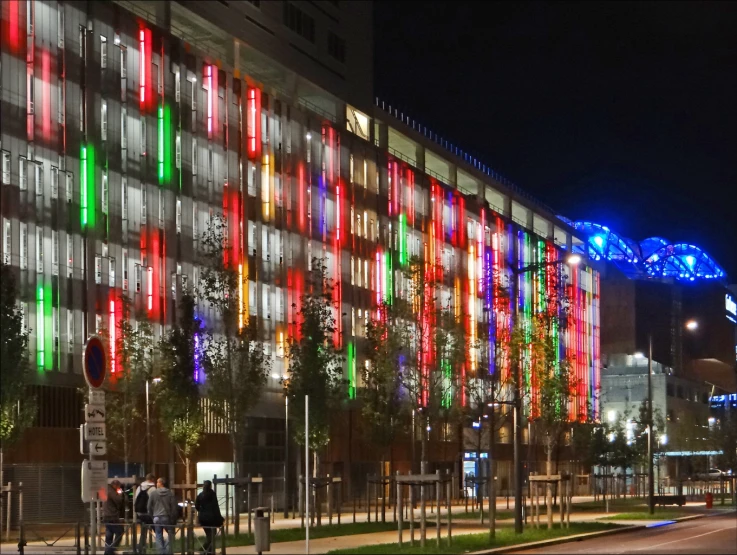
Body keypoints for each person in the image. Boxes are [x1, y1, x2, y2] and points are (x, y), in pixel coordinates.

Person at [147, 478, 179, 554]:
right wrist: (173, 517)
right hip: (166, 516)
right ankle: (167, 551)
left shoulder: (153, 493)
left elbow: (149, 507)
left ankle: (161, 552)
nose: (156, 483)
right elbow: (174, 506)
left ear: (161, 483)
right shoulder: (170, 493)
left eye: (157, 482)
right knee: (171, 533)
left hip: (156, 517)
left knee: (158, 535)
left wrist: (152, 516)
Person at [195, 481, 224, 555]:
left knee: (209, 535)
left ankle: (208, 551)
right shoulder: (212, 494)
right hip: (212, 518)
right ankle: (204, 550)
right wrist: (220, 519)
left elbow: (196, 505)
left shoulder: (200, 495)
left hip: (203, 519)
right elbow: (215, 507)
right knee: (212, 536)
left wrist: (201, 511)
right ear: (210, 486)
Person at [134, 473, 157, 554]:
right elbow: (154, 502)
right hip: (149, 513)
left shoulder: (139, 487)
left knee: (143, 532)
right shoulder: (153, 488)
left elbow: (135, 499)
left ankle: (141, 548)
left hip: (140, 513)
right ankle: (162, 547)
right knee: (157, 530)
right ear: (152, 479)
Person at [103, 480, 124, 555]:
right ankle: (112, 550)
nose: (119, 488)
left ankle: (107, 552)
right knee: (120, 531)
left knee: (109, 535)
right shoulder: (111, 491)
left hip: (106, 516)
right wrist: (120, 492)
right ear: (115, 485)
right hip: (112, 516)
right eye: (119, 486)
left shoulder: (107, 489)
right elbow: (118, 500)